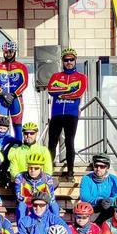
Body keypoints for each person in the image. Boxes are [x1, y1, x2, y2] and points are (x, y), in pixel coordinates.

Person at [45, 47, 87, 178]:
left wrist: (61, 92)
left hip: (71, 114)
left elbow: (78, 93)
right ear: (62, 61)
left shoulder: (81, 77)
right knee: (52, 143)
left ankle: (70, 171)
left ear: (75, 60)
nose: (69, 62)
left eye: (71, 59)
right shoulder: (56, 76)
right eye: (66, 60)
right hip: (56, 114)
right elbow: (51, 90)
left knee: (70, 142)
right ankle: (48, 170)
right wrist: (69, 90)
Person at [0, 40, 30, 140]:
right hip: (1, 99)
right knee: (1, 125)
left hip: (16, 99)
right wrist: (3, 94)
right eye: (6, 52)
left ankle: (18, 145)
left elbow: (25, 83)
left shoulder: (22, 67)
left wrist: (14, 94)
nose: (8, 54)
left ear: (15, 52)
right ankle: (0, 146)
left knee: (17, 124)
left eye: (10, 52)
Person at [78, 155, 117, 223]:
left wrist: (110, 200)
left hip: (109, 208)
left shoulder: (113, 179)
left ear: (107, 167)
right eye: (96, 166)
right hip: (92, 208)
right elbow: (84, 197)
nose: (98, 169)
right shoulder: (86, 179)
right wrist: (99, 201)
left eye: (102, 166)